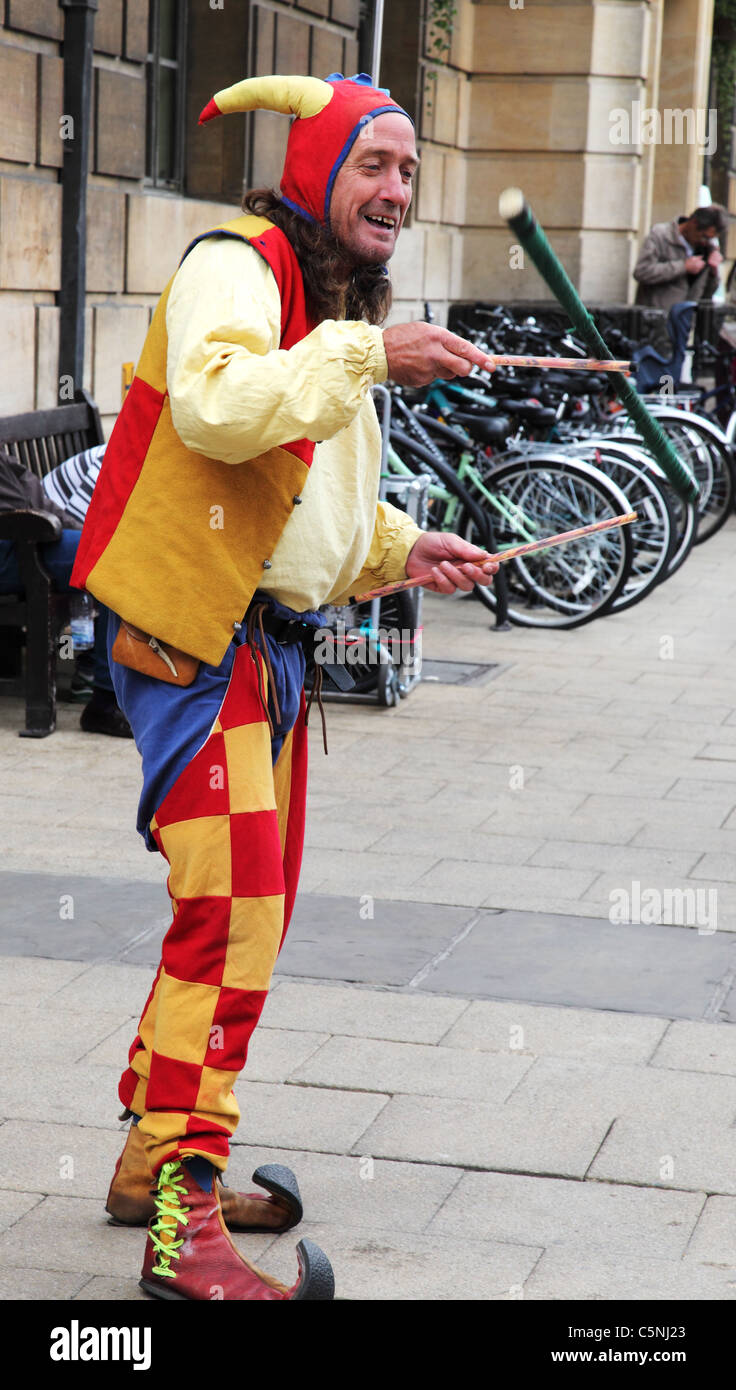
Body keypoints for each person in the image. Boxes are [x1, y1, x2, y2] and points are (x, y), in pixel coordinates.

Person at [71, 71, 499, 1302]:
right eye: (376, 164)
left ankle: (154, 1159)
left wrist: (399, 548)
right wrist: (364, 348)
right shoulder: (239, 264)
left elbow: (311, 513)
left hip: (260, 650)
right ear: (317, 171)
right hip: (192, 645)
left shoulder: (323, 299)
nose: (398, 191)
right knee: (232, 915)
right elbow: (213, 410)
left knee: (238, 911)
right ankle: (181, 1234)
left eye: (410, 172)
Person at [0, 446, 130, 735]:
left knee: (116, 550)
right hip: (16, 541)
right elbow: (20, 503)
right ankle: (105, 701)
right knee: (112, 560)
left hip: (28, 531)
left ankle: (116, 690)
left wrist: (82, 533)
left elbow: (31, 495)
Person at [633, 204, 726, 312]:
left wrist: (713, 272)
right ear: (693, 222)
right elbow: (642, 272)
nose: (704, 241)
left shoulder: (707, 249)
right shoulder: (661, 235)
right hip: (656, 317)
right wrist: (683, 266)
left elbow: (707, 294)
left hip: (686, 320)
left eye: (710, 238)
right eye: (704, 236)